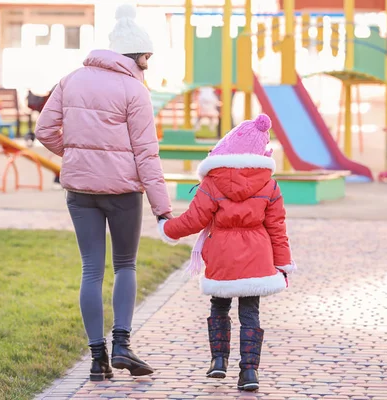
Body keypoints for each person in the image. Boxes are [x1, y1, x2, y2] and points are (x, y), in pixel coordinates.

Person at [35, 3, 173, 382]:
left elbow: (45, 132)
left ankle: (97, 359)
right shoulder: (135, 90)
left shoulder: (71, 79)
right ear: (137, 57)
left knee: (91, 269)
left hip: (80, 190)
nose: (149, 62)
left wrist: (77, 157)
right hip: (123, 192)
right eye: (148, 56)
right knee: (125, 264)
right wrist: (163, 210)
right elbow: (147, 154)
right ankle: (123, 345)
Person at [157, 114, 296, 391]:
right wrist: (283, 264)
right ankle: (249, 373)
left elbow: (194, 219)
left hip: (221, 254)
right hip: (257, 257)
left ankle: (219, 360)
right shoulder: (269, 184)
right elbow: (277, 228)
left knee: (219, 305)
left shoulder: (213, 182)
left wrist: (167, 228)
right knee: (250, 313)